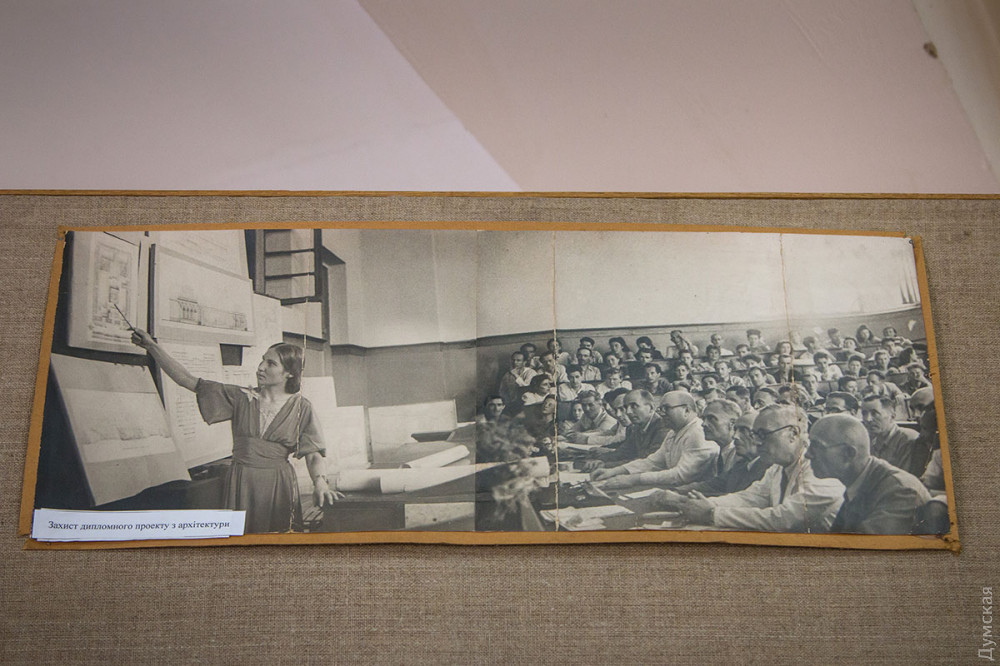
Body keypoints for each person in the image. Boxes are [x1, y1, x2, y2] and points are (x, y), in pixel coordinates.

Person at [130, 329, 339, 534]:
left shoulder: (302, 407)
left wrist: (320, 482)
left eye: (271, 363)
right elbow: (187, 380)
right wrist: (151, 346)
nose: (260, 367)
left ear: (290, 373)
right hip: (241, 481)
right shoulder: (241, 397)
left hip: (279, 485)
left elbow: (313, 455)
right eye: (262, 361)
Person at [665, 404, 845, 533]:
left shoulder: (822, 470)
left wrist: (712, 514)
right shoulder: (778, 467)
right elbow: (749, 498)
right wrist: (703, 505)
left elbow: (784, 519)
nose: (757, 442)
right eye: (755, 434)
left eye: (763, 434)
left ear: (793, 434)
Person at [807, 414, 932, 534]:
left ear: (848, 453)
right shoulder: (861, 482)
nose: (808, 454)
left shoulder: (900, 492)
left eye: (816, 446)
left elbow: (859, 547)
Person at [592, 391, 718, 490]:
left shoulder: (698, 432)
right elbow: (653, 462)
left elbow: (681, 475)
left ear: (686, 410)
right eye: (661, 409)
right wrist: (614, 471)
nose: (662, 413)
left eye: (666, 408)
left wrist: (634, 479)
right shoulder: (674, 432)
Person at [652, 409, 768, 501]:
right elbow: (711, 485)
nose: (735, 436)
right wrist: (674, 491)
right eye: (736, 430)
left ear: (762, 435)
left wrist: (681, 498)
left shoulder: (768, 469)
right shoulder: (741, 465)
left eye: (744, 430)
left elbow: (739, 500)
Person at [582, 389, 671, 471]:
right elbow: (623, 452)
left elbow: (646, 462)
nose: (628, 412)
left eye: (634, 406)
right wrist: (598, 459)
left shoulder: (663, 428)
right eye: (626, 407)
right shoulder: (637, 427)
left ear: (651, 408)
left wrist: (605, 465)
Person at [861, 395, 930, 477]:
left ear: (892, 416)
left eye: (874, 413)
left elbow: (904, 477)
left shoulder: (908, 440)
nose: (868, 419)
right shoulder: (868, 440)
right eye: (864, 413)